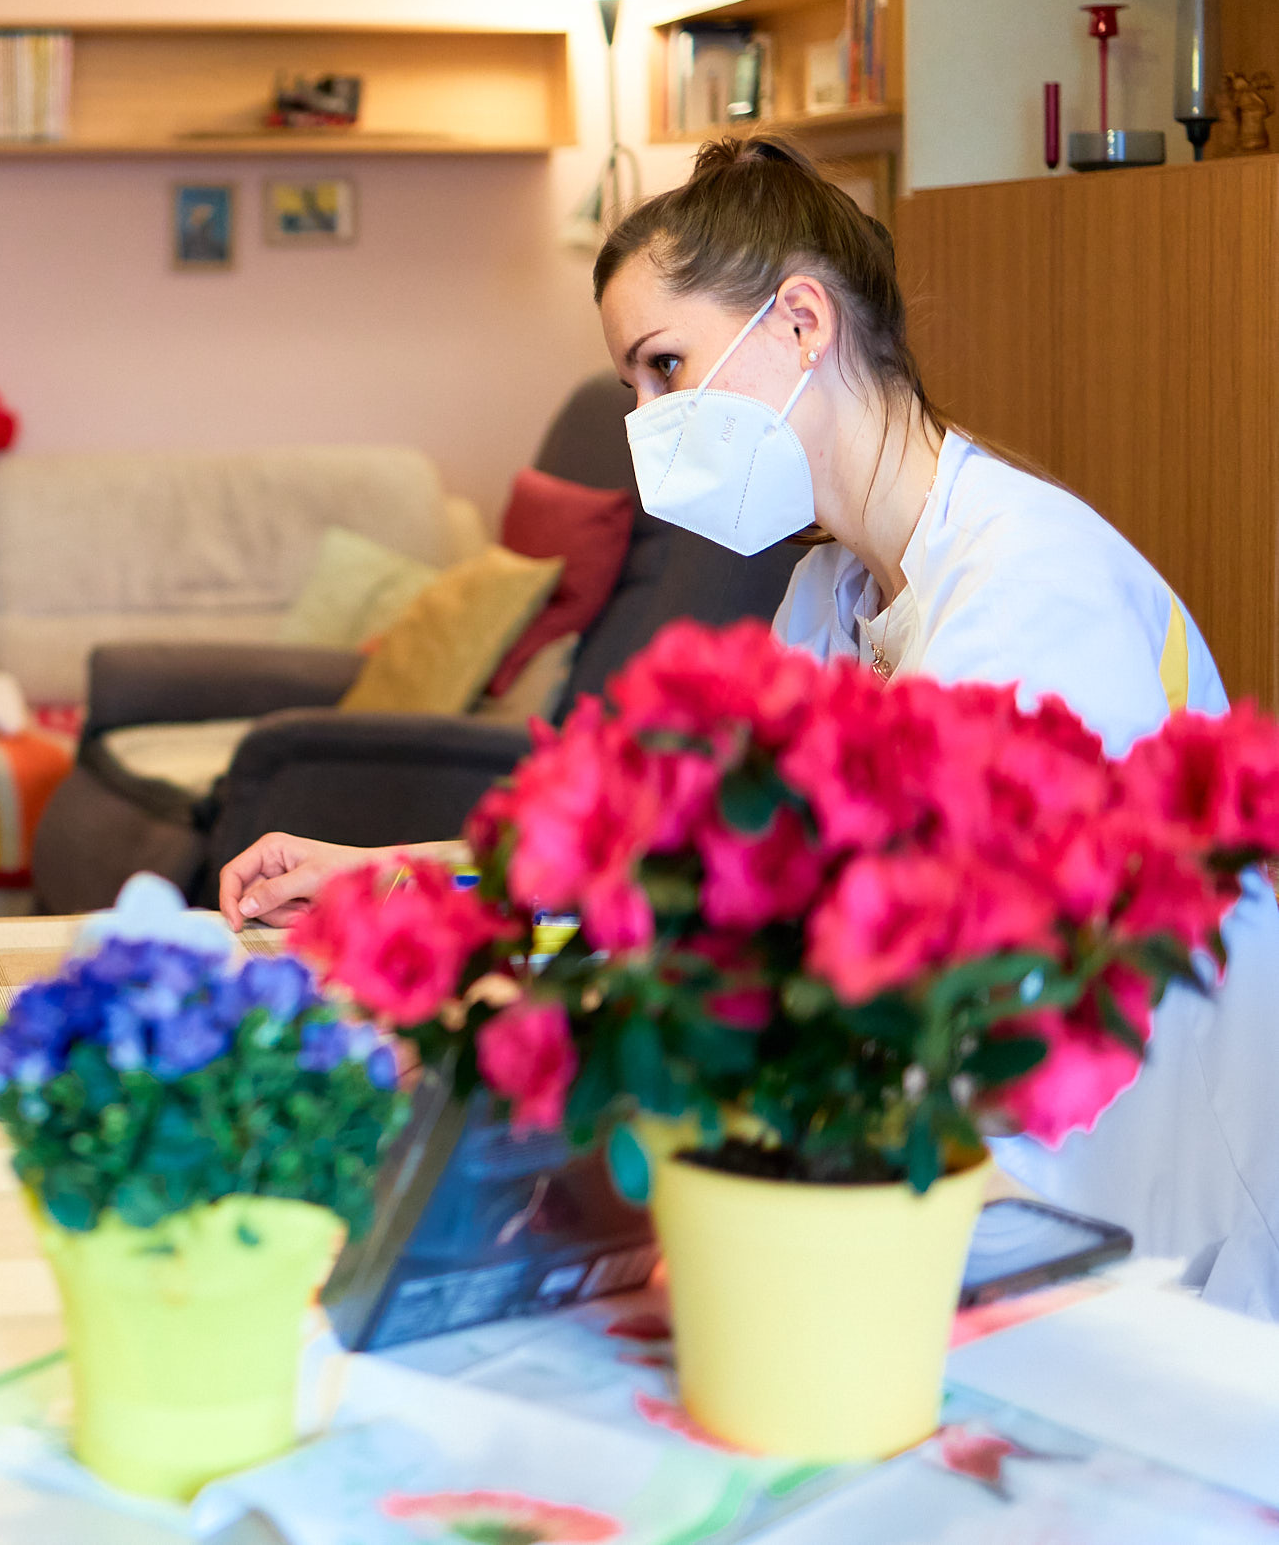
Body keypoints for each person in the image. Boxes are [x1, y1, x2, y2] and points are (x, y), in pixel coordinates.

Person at [221, 136, 1278, 1317]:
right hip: (934, 1170)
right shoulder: (831, 593)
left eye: (663, 366)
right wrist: (402, 877)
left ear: (799, 322)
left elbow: (945, 981)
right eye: (633, 385)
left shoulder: (1032, 590)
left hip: (1116, 1198)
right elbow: (682, 855)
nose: (645, 418)